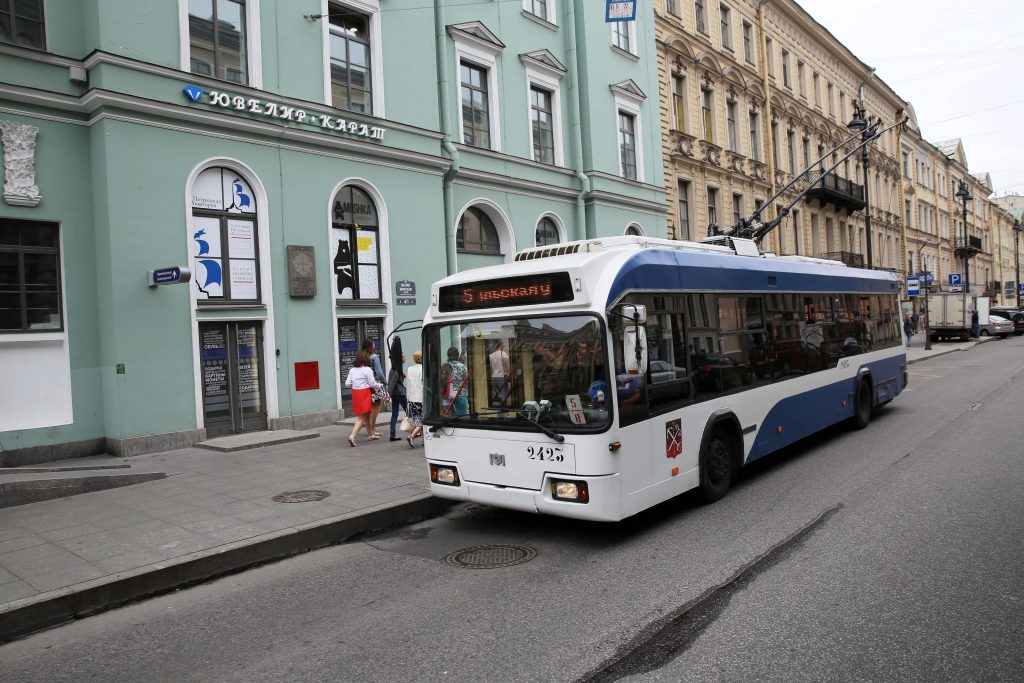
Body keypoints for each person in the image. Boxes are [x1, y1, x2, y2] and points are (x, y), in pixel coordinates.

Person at [344, 352, 381, 447]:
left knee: (367, 414)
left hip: (356, 393)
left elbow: (347, 384)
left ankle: (371, 434)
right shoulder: (368, 369)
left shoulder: (352, 370)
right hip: (364, 393)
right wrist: (380, 385)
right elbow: (372, 384)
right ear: (366, 360)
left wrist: (356, 384)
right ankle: (352, 436)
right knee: (361, 417)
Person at [362, 338, 386, 439]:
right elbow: (379, 372)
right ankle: (372, 429)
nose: (375, 345)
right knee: (376, 406)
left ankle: (372, 429)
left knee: (372, 407)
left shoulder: (363, 357)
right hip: (375, 382)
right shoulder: (374, 357)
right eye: (373, 344)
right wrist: (385, 381)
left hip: (366, 383)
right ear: (371, 346)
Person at [439, 346, 469, 416]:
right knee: (462, 418)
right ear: (458, 355)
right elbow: (466, 380)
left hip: (447, 395)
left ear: (448, 355)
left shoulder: (444, 366)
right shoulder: (462, 366)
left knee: (450, 418)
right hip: (461, 394)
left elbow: (441, 381)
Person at [388, 353, 408, 441]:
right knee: (409, 411)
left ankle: (392, 434)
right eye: (403, 357)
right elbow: (393, 383)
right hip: (400, 393)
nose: (405, 358)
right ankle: (415, 431)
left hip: (395, 394)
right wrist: (389, 394)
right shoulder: (397, 370)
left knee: (395, 413)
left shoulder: (394, 369)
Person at [406, 350, 424, 447]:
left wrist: (408, 398)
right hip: (421, 398)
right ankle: (412, 436)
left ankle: (424, 441)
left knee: (417, 420)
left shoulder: (409, 369)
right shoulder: (423, 369)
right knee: (424, 420)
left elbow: (408, 384)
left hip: (412, 398)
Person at [488, 341, 511, 408]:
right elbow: (506, 365)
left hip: (493, 377)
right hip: (501, 376)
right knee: (503, 393)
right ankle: (502, 408)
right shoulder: (503, 354)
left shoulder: (490, 355)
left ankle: (496, 408)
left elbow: (490, 368)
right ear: (500, 346)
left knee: (495, 393)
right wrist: (509, 373)